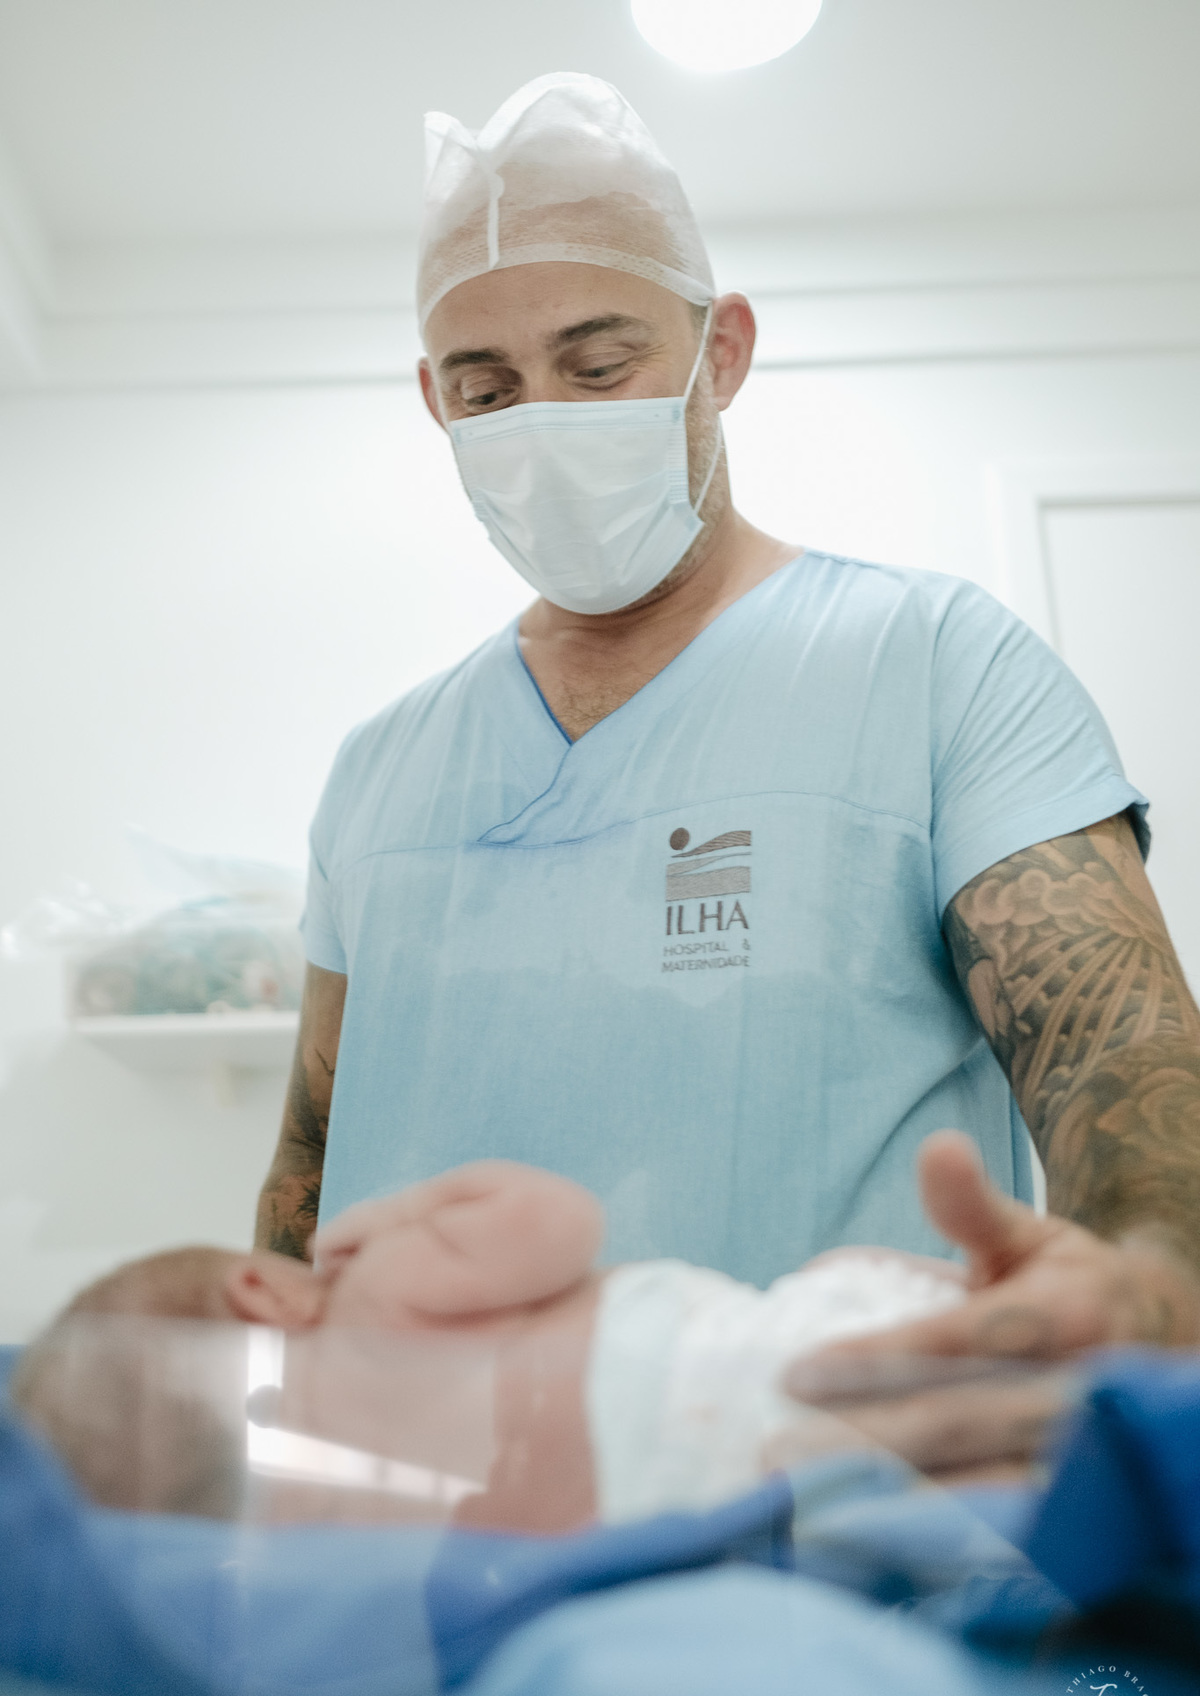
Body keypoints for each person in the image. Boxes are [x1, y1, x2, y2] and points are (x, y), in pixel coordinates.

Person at [256, 71, 1200, 1369]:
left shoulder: (933, 664)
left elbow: (1119, 1063)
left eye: (600, 364)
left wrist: (1145, 1300)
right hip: (410, 1524)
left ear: (724, 350)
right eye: (488, 392)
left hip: (840, 1505)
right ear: (435, 402)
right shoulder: (380, 772)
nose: (544, 423)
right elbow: (309, 1166)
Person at [16, 1155, 984, 1527]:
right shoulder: (373, 1291)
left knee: (922, 1501)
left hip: (695, 1507)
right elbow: (559, 1222)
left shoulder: (318, 1521)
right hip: (736, 1367)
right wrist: (405, 1211)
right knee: (862, 1297)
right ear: (261, 1290)